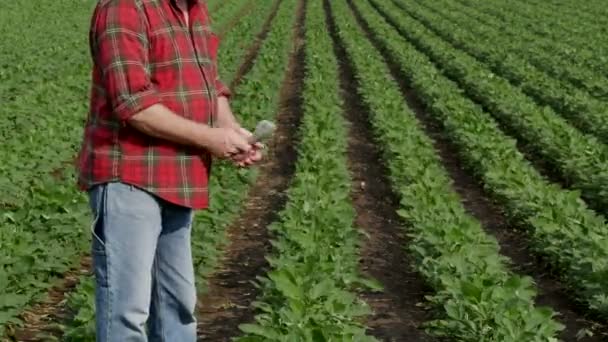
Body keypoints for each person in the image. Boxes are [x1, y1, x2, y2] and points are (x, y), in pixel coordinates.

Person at [76, 0, 262, 340]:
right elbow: (134, 105)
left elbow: (209, 84)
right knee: (127, 312)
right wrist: (211, 139)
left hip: (179, 176)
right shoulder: (124, 8)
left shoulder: (194, 10)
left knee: (177, 307)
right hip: (129, 176)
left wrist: (233, 132)